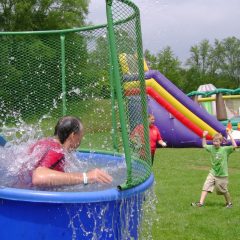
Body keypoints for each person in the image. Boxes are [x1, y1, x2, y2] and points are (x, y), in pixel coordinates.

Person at [27, 116, 112, 187]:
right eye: (80, 137)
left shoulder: (43, 143)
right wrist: (86, 177)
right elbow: (38, 177)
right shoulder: (57, 151)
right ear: (73, 136)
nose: (80, 142)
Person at [191, 128, 237, 208]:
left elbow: (235, 146)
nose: (215, 143)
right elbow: (204, 145)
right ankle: (200, 203)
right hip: (213, 172)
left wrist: (229, 134)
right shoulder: (211, 148)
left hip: (222, 174)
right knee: (206, 186)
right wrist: (204, 136)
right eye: (214, 141)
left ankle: (229, 203)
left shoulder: (225, 150)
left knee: (223, 190)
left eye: (217, 141)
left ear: (221, 142)